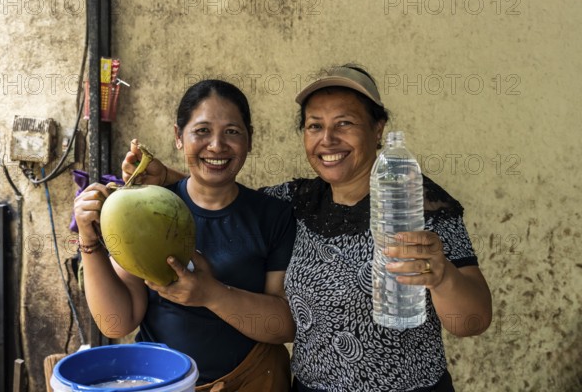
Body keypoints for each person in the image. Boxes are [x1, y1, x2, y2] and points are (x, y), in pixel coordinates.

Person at [122, 65, 493, 392]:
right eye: (315, 126)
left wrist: (442, 277)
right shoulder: (293, 202)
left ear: (378, 128)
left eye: (344, 124)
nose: (327, 140)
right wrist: (170, 178)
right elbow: (223, 195)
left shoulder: (420, 202)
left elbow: (472, 320)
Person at [74, 80, 297, 392]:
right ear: (179, 137)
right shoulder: (144, 209)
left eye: (232, 131)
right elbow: (117, 323)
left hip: (253, 381)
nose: (217, 145)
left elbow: (283, 326)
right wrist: (90, 242)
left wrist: (211, 294)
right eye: (202, 131)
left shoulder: (273, 216)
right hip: (162, 384)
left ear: (250, 140)